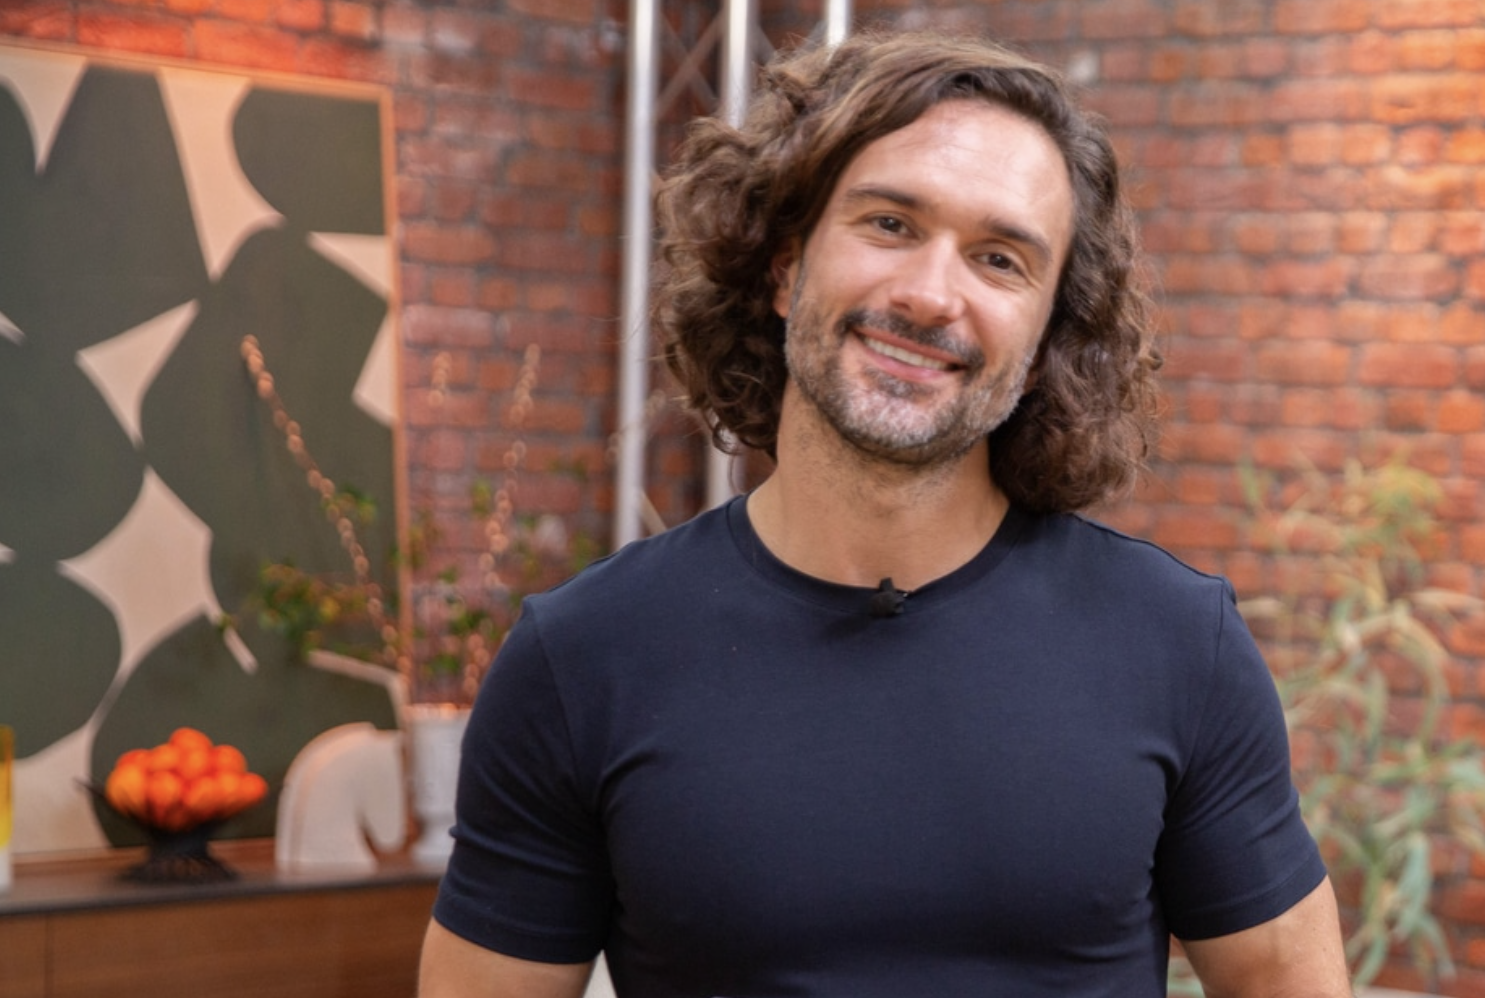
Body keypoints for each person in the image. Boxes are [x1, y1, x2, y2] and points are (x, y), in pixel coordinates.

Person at [418, 30, 1346, 998]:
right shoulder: (582, 659)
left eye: (999, 259)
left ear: (1044, 341)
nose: (931, 295)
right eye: (891, 224)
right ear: (784, 267)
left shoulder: (1176, 645)